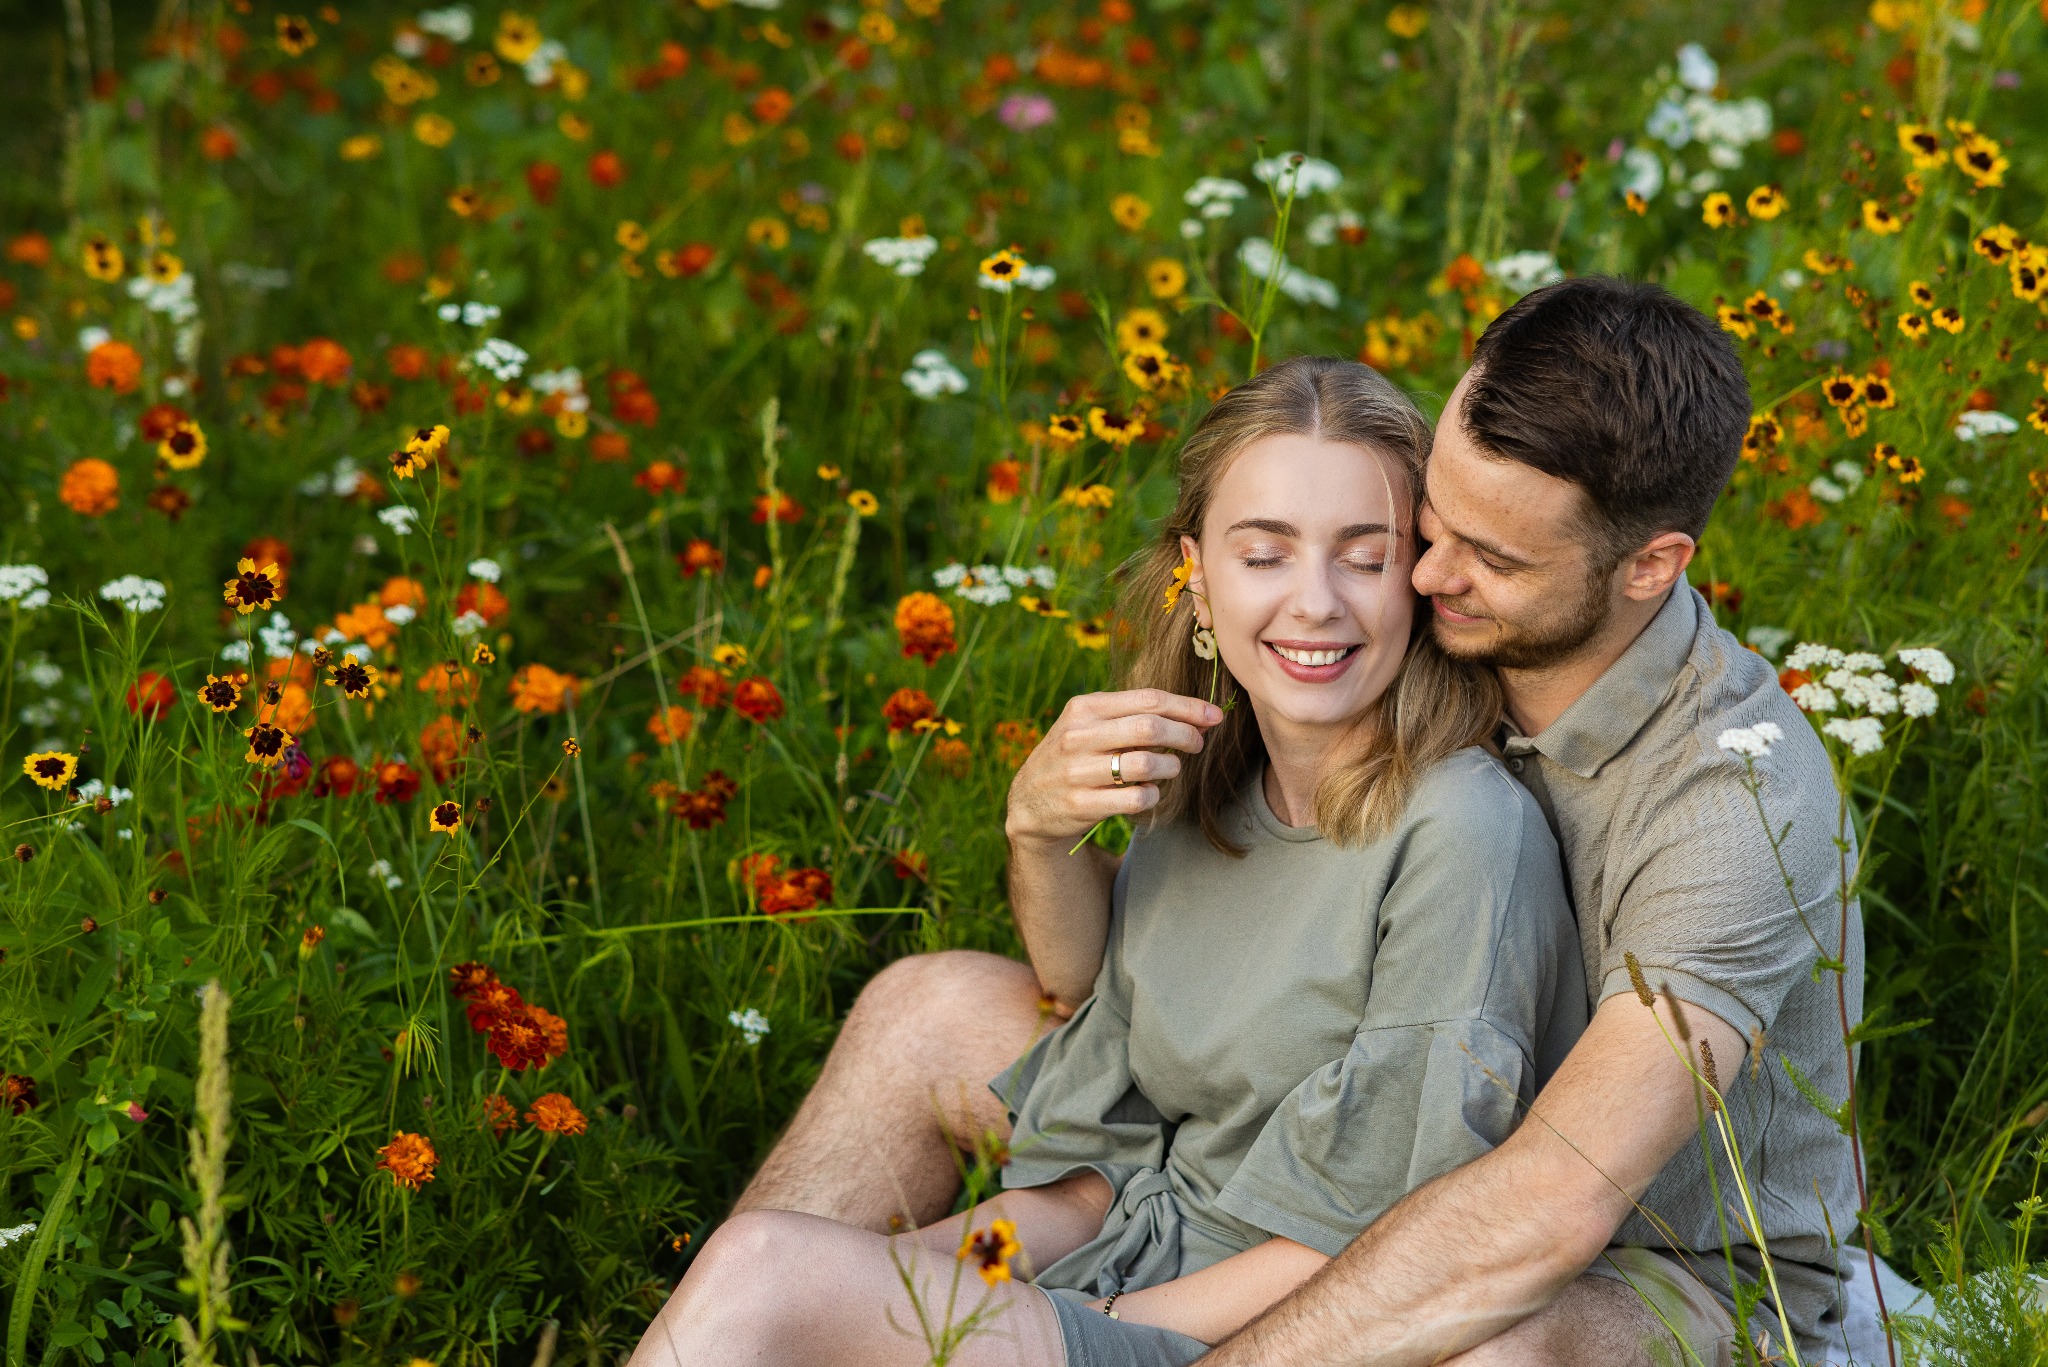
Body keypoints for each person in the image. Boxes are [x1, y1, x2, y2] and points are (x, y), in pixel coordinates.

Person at [717, 277, 1877, 1365]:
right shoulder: (1398, 643)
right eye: (1430, 521)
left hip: (1636, 1244)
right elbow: (1163, 965)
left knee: (1487, 1344)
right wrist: (1039, 831)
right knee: (927, 1011)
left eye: (1486, 555)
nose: (1423, 577)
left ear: (1648, 565)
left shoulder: (1730, 804)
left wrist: (1108, 1337)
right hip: (1319, 1120)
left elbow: (1549, 1200)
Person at [628, 357, 1587, 1367]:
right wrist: (928, 1267)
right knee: (784, 1269)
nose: (1314, 602)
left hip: (1258, 1332)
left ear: (1421, 577)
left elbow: (1395, 1234)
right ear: (1196, 576)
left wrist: (1064, 1326)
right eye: (1263, 554)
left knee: (767, 1273)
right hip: (1117, 1258)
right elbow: (1100, 1133)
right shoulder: (1201, 777)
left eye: (1364, 555)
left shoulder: (1458, 830)